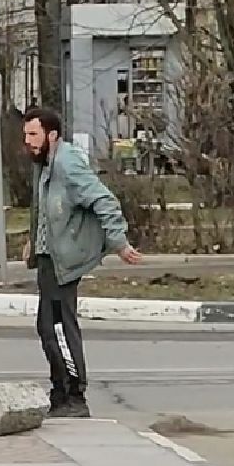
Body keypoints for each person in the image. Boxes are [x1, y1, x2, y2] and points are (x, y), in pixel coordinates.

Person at [22, 105, 141, 418]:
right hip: (50, 258)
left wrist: (119, 242)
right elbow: (47, 209)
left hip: (64, 259)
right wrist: (33, 242)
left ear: (52, 135)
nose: (28, 141)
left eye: (33, 134)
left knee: (58, 328)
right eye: (26, 135)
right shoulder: (44, 164)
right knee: (48, 327)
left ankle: (74, 395)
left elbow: (104, 200)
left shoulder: (67, 162)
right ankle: (61, 393)